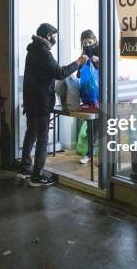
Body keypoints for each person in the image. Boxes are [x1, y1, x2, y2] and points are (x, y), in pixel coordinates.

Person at [21, 23, 87, 186]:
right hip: (41, 102)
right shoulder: (43, 53)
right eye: (53, 36)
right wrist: (78, 62)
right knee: (42, 138)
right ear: (47, 35)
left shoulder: (32, 51)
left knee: (31, 134)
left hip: (31, 101)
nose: (54, 39)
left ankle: (24, 169)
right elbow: (59, 73)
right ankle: (37, 176)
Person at [77, 30, 100, 165]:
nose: (87, 45)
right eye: (85, 43)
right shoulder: (83, 54)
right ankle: (89, 154)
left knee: (103, 127)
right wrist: (80, 64)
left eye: (90, 42)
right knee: (90, 127)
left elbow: (109, 70)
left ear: (95, 41)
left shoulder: (102, 51)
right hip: (88, 97)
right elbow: (79, 76)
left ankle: (104, 156)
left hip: (102, 96)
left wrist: (98, 62)